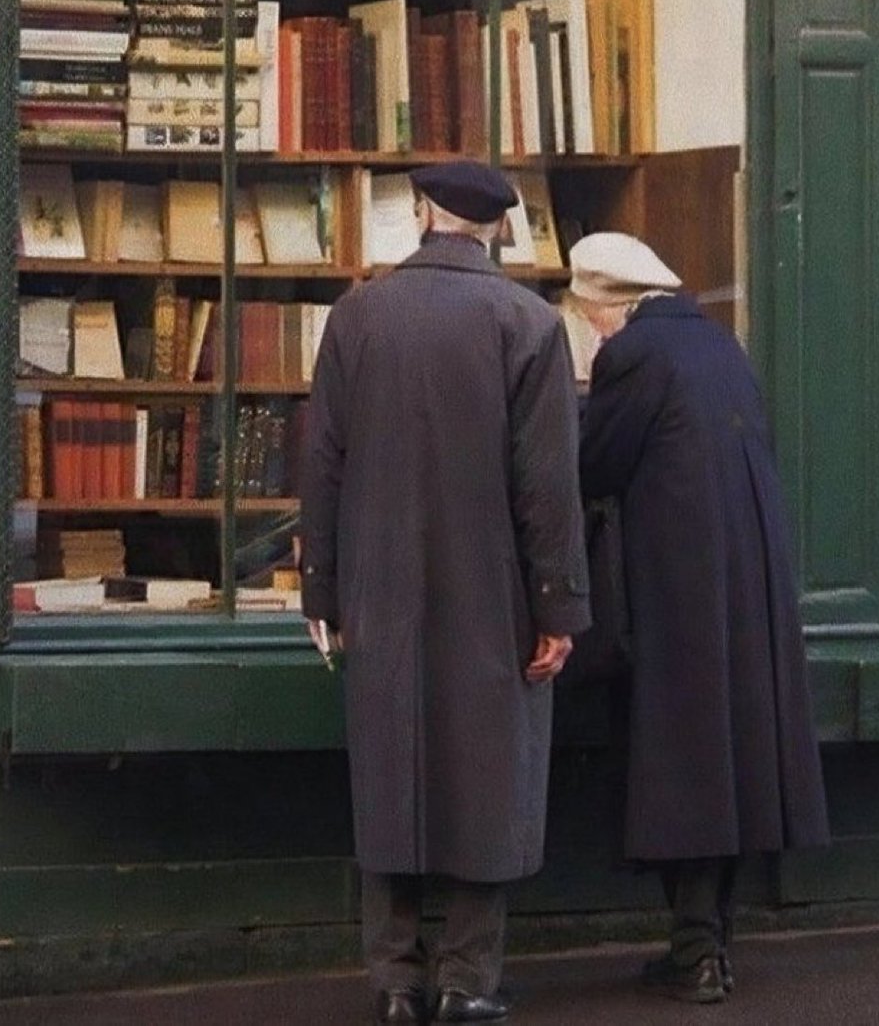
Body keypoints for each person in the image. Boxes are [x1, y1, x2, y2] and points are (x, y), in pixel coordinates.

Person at [301, 161, 591, 1024]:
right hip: (492, 588)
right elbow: (548, 485)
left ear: (424, 213)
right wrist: (558, 608)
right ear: (498, 228)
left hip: (378, 583)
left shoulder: (358, 315)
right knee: (490, 774)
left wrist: (322, 589)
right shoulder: (529, 322)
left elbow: (322, 462)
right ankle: (468, 977)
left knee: (390, 772)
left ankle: (394, 979)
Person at [573, 232, 830, 1004]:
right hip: (742, 595)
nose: (590, 331)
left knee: (680, 770)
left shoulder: (635, 355)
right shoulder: (721, 349)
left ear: (609, 302)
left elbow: (594, 466)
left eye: (588, 316)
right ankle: (711, 944)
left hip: (674, 598)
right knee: (727, 768)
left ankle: (695, 953)